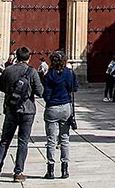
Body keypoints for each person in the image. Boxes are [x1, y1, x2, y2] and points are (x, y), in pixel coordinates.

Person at [0, 45, 44, 182]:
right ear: (29, 57)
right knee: (23, 142)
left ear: (17, 57)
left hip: (11, 109)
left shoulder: (8, 70)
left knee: (5, 141)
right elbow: (40, 92)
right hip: (27, 111)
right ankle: (18, 172)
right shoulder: (31, 72)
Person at [41, 50, 79, 180]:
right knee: (64, 139)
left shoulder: (48, 75)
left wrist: (50, 100)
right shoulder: (69, 73)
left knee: (51, 140)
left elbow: (45, 93)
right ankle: (65, 169)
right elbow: (74, 88)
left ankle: (50, 170)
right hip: (65, 107)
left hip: (52, 107)